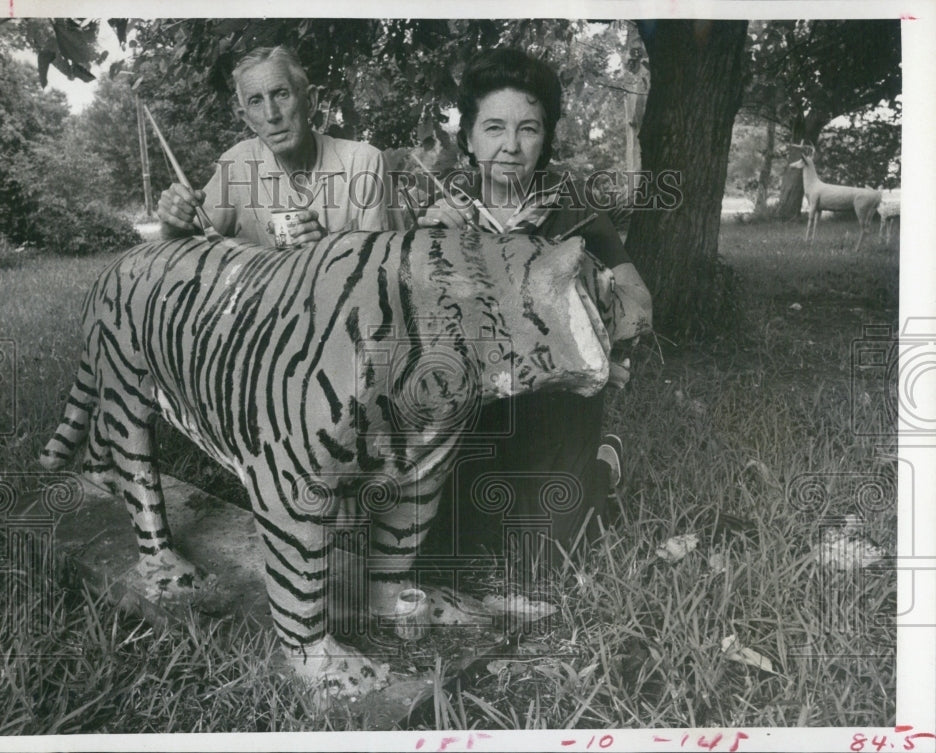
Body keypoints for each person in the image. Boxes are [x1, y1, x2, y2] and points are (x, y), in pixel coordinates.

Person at [418, 48, 653, 560]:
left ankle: (599, 463)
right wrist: (430, 249)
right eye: (494, 127)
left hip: (555, 406)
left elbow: (639, 305)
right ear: (469, 136)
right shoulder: (445, 209)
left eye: (528, 129)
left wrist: (591, 300)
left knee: (546, 557)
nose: (510, 146)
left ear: (545, 139)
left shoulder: (572, 206)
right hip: (471, 408)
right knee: (450, 546)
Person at [158, 46, 401, 245]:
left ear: (310, 101)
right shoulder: (238, 165)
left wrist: (329, 247)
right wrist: (173, 224)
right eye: (256, 101)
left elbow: (387, 267)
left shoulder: (364, 163)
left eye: (281, 94)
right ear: (247, 120)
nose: (271, 114)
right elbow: (191, 250)